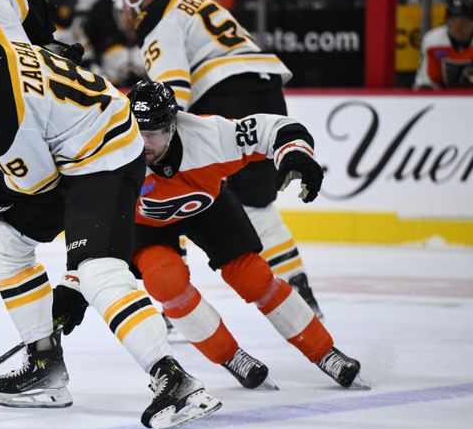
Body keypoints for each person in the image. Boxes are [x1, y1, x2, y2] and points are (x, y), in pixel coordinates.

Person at [0, 0, 222, 429]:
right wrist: (41, 37)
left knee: (98, 270)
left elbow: (35, 182)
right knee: (3, 239)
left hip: (107, 155)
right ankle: (44, 365)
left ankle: (174, 380)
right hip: (72, 143)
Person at [107, 0, 324, 320]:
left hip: (225, 92)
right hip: (264, 84)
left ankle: (174, 294)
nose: (123, 6)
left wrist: (159, 151)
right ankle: (298, 284)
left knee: (177, 185)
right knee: (258, 202)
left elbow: (172, 95)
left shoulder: (157, 20)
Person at [124, 80, 367, 390]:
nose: (143, 143)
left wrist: (294, 153)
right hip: (145, 224)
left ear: (172, 126)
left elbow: (274, 128)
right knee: (165, 281)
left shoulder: (209, 136)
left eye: (153, 133)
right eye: (137, 131)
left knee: (254, 278)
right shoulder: (111, 147)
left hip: (207, 205)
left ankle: (325, 352)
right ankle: (230, 356)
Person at [414, 0, 473, 89]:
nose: (458, 27)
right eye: (453, 20)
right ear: (446, 22)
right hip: (441, 98)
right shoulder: (433, 41)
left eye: (464, 21)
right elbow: (425, 84)